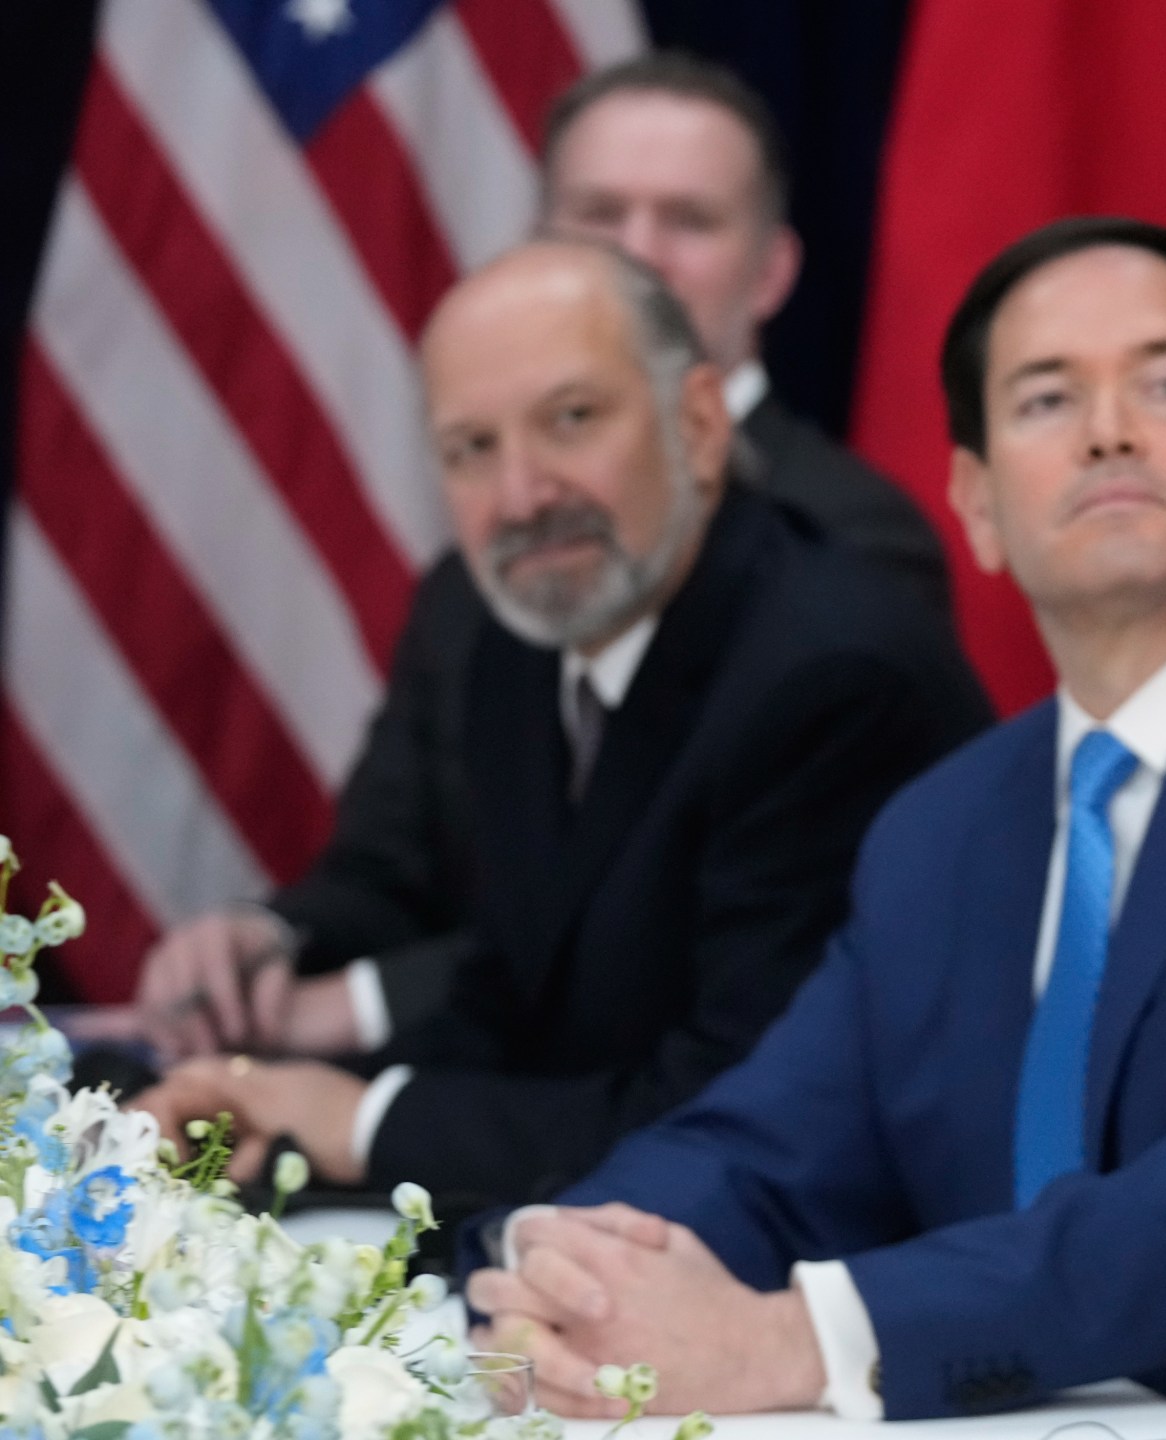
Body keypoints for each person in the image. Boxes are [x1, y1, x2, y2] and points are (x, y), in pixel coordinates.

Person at [463, 218, 1166, 1439]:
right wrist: (563, 1266)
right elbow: (770, 1142)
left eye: (1165, 384)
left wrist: (793, 1339)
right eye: (1047, 398)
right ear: (977, 503)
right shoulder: (940, 828)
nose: (1110, 429)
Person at [133, 241, 989, 1207]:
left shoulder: (829, 681)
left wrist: (360, 1121)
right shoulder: (522, 636)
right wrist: (267, 1101)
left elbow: (737, 1112)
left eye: (571, 420)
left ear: (700, 425)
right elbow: (515, 1001)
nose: (522, 498)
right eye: (472, 450)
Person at [132, 51, 948, 1061]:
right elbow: (392, 868)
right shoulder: (506, 563)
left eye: (688, 219)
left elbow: (654, 953)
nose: (642, 253)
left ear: (774, 270)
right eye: (599, 216)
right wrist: (269, 940)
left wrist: (362, 1022)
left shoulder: (842, 557)